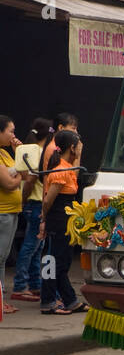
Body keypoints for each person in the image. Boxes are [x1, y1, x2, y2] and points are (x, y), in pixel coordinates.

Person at [38, 129, 87, 315]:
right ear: (71, 147)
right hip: (57, 224)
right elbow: (47, 201)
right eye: (78, 146)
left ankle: (70, 300)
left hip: (64, 224)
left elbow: (75, 169)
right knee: (52, 263)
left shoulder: (67, 167)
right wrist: (44, 221)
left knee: (62, 263)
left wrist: (79, 153)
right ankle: (48, 301)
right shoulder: (60, 171)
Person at [11, 118, 53, 301]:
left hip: (32, 204)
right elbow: (30, 180)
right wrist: (24, 199)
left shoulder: (26, 149)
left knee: (37, 246)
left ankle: (35, 284)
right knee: (31, 246)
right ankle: (20, 286)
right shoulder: (38, 152)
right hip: (36, 203)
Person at [0, 116, 23, 313]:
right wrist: (19, 176)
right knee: (0, 257)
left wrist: (18, 154)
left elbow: (21, 173)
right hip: (3, 212)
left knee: (4, 257)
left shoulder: (5, 154)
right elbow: (8, 184)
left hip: (12, 212)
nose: (13, 135)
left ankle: (1, 299)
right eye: (10, 130)